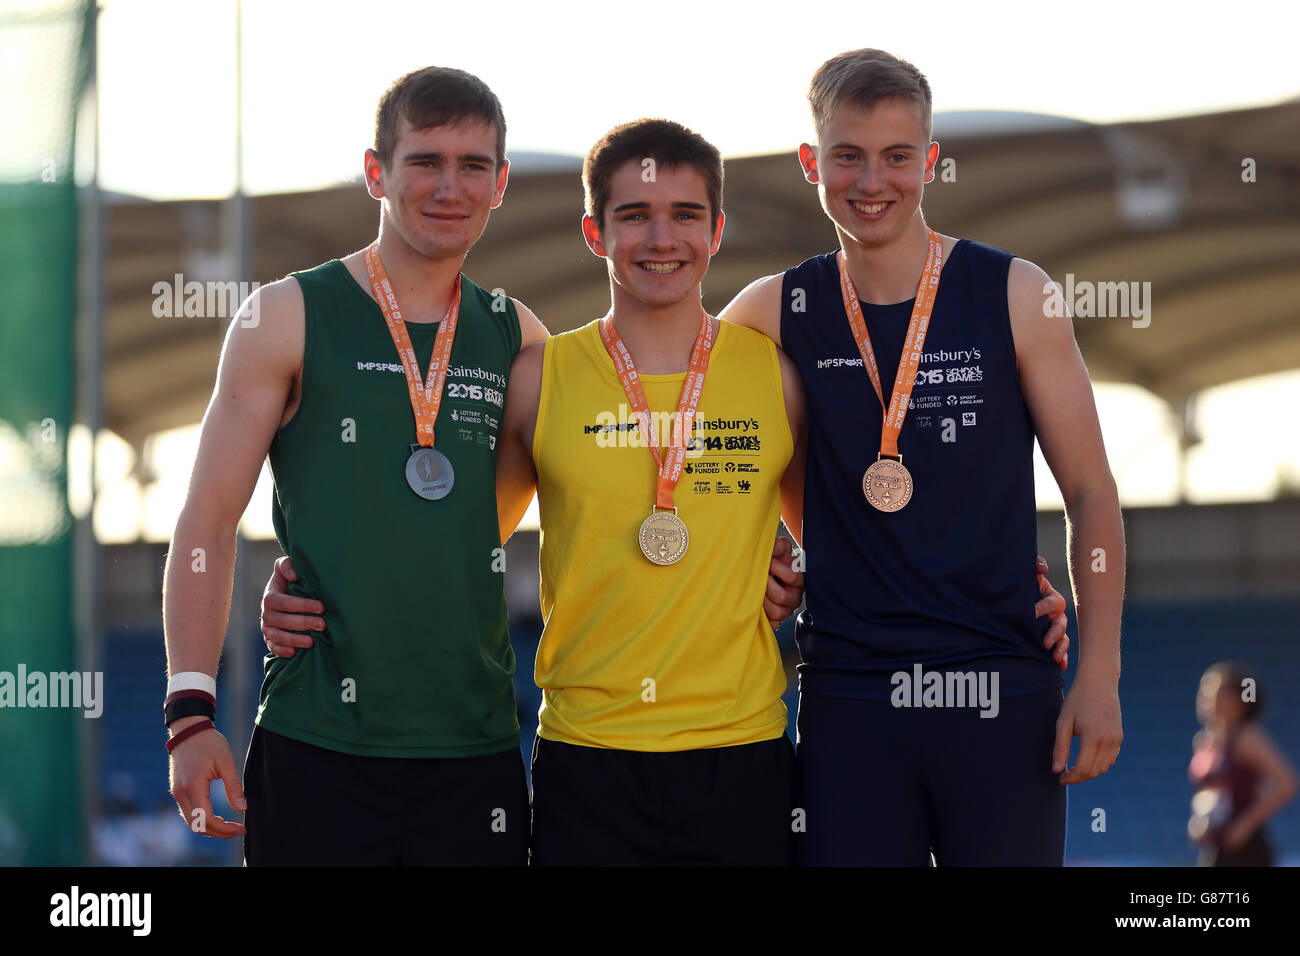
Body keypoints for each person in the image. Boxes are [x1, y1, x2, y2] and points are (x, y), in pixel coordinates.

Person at [264, 116, 1073, 866]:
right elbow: (456, 533)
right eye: (634, 215)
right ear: (594, 233)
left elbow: (841, 527)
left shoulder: (773, 369)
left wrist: (985, 590)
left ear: (718, 232)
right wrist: (309, 584)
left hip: (744, 758)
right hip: (587, 760)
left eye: (686, 214)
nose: (662, 238)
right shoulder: (542, 376)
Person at [720, 48, 1124, 865]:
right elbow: (688, 438)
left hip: (1001, 686)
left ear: (931, 164)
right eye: (848, 157)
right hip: (849, 695)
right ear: (812, 164)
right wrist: (759, 546)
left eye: (898, 157)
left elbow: (1089, 490)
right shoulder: (771, 311)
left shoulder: (1015, 295)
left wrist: (1101, 671)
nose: (873, 181)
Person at [163, 66, 551, 866]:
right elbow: (205, 521)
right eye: (425, 161)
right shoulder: (284, 314)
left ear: (501, 183)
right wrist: (190, 713)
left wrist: (764, 556)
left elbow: (503, 517)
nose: (451, 186)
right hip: (319, 741)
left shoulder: (520, 335)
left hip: (473, 749)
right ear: (377, 171)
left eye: (474, 165)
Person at [1189, 661, 1297, 866]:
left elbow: (1287, 783)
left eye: (1219, 693)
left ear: (1239, 702)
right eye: (1206, 691)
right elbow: (1210, 792)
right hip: (1215, 841)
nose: (1209, 699)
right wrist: (1199, 821)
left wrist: (1245, 825)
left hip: (1245, 845)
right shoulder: (1204, 742)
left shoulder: (1247, 738)